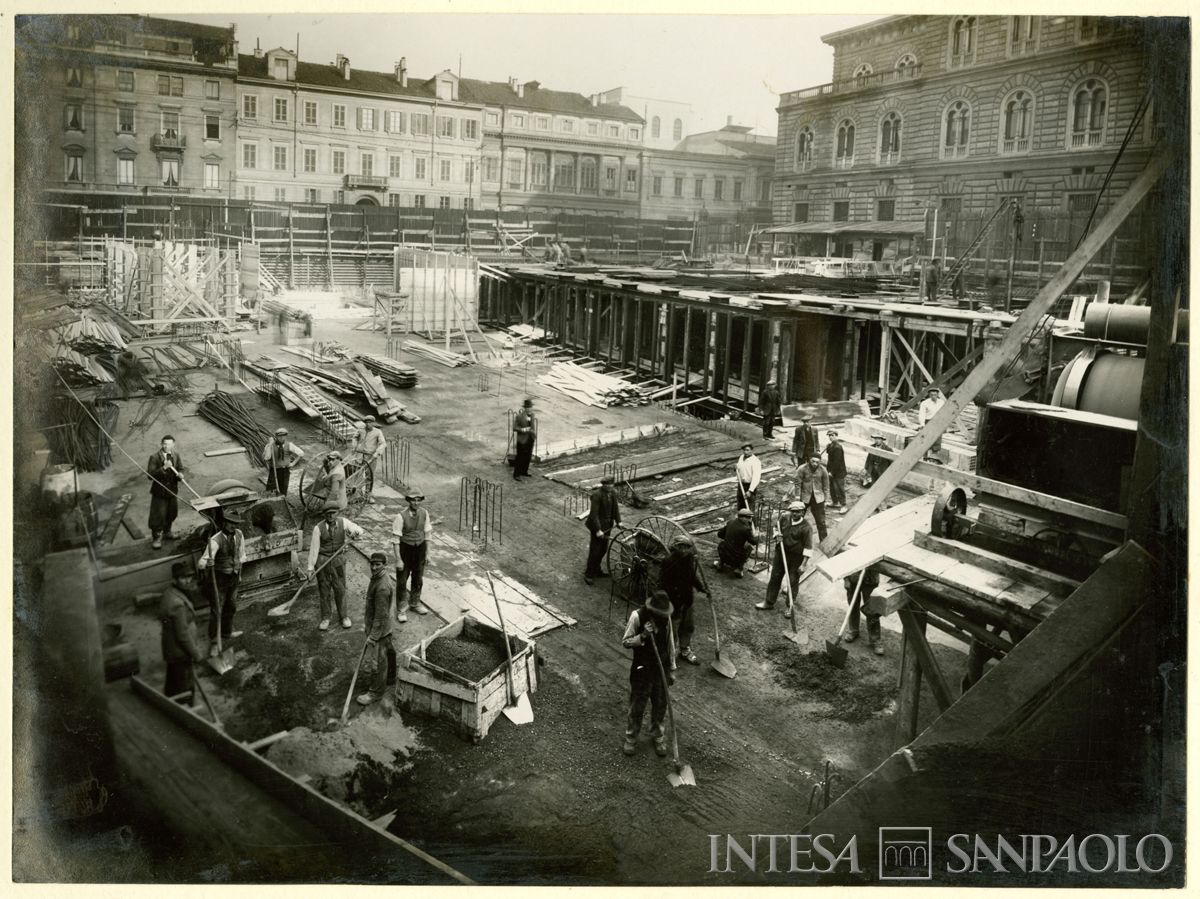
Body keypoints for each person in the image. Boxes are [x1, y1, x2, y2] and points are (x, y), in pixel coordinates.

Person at [621, 590, 676, 757]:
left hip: (661, 668)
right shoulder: (637, 616)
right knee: (638, 704)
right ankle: (631, 737)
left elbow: (670, 643)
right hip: (642, 669)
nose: (661, 617)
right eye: (659, 614)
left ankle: (658, 735)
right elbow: (626, 642)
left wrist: (672, 669)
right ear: (652, 610)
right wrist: (643, 635)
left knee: (660, 704)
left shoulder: (666, 619)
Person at [307, 504, 364, 631]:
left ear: (337, 513)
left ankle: (343, 617)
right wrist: (310, 568)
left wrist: (355, 533)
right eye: (328, 514)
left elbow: (359, 530)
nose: (331, 516)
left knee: (340, 589)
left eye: (333, 513)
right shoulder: (318, 528)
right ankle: (326, 618)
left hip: (338, 560)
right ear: (324, 515)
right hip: (322, 561)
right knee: (324, 589)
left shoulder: (343, 522)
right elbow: (314, 549)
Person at [197, 510, 245, 655]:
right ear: (224, 522)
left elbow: (242, 555)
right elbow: (202, 562)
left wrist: (238, 569)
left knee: (231, 606)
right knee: (217, 609)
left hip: (234, 577)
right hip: (220, 579)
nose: (233, 526)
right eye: (230, 523)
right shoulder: (215, 540)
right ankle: (214, 641)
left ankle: (226, 633)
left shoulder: (239, 534)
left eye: (235, 523)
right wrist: (206, 562)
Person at [659, 535, 709, 666]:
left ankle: (685, 649)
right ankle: (671, 653)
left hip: (687, 599)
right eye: (684, 548)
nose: (687, 550)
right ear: (677, 548)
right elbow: (664, 584)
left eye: (688, 548)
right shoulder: (668, 562)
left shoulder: (688, 561)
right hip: (674, 601)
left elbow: (692, 576)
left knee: (688, 626)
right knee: (673, 629)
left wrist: (702, 588)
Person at [159, 562, 204, 702]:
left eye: (189, 576)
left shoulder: (170, 592)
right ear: (175, 579)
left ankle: (170, 705)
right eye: (183, 578)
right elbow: (182, 634)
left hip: (171, 649)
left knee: (173, 682)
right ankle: (186, 712)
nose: (188, 580)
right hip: (180, 651)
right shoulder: (177, 603)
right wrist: (196, 654)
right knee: (185, 686)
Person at [756, 500, 813, 611]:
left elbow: (808, 548)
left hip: (796, 557)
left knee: (792, 581)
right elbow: (776, 527)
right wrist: (777, 535)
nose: (794, 514)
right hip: (781, 553)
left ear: (802, 512)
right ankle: (769, 602)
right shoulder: (785, 517)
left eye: (797, 512)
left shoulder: (806, 527)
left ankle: (789, 607)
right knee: (775, 577)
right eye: (793, 511)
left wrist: (803, 565)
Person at [357, 552, 397, 706]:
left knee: (378, 662)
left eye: (377, 564)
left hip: (380, 627)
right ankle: (391, 678)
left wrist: (373, 636)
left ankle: (375, 693)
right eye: (372, 564)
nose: (373, 567)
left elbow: (380, 616)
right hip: (385, 626)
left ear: (384, 565)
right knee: (389, 650)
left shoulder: (382, 587)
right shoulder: (379, 578)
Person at [391, 491, 432, 621]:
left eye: (418, 500)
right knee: (402, 581)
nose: (416, 503)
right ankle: (401, 609)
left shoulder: (424, 513)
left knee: (418, 579)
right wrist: (398, 560)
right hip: (405, 551)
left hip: (420, 550)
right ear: (409, 501)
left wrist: (428, 554)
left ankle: (415, 603)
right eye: (413, 500)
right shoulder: (400, 516)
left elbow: (427, 535)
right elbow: (396, 540)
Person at [147, 435, 185, 549]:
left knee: (171, 513)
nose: (166, 446)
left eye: (168, 444)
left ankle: (167, 532)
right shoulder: (154, 457)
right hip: (160, 492)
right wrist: (164, 468)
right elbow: (150, 475)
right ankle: (156, 537)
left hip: (172, 491)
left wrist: (181, 474)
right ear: (161, 444)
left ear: (173, 445)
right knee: (158, 516)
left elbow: (181, 468)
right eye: (164, 443)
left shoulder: (176, 455)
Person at [584, 475, 621, 585]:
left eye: (611, 484)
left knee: (603, 549)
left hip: (608, 525)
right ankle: (589, 574)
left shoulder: (613, 493)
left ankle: (597, 570)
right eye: (607, 485)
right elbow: (593, 515)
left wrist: (619, 521)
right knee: (595, 551)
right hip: (598, 526)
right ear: (603, 485)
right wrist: (598, 530)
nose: (610, 486)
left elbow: (615, 508)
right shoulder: (597, 495)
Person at [844, 563, 884, 656]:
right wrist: (845, 578)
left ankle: (875, 639)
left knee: (872, 609)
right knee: (853, 606)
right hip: (853, 577)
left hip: (870, 578)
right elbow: (843, 557)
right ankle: (853, 630)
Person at [714, 508, 759, 578]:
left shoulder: (730, 522)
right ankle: (739, 569)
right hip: (735, 557)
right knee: (749, 548)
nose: (750, 520)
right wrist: (756, 535)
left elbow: (719, 534)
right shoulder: (745, 529)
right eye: (749, 517)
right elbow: (754, 542)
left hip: (724, 553)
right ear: (743, 517)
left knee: (723, 544)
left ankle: (721, 563)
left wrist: (730, 538)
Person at [353, 416, 386, 504]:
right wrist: (355, 446)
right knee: (357, 476)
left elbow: (383, 444)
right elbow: (355, 437)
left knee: (369, 477)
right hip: (359, 456)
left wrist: (377, 453)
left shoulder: (377, 432)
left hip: (370, 457)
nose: (368, 424)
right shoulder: (361, 430)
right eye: (366, 422)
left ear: (373, 423)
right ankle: (358, 495)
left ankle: (368, 496)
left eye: (370, 422)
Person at [797, 455, 831, 541]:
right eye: (813, 461)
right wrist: (797, 498)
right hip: (805, 497)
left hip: (818, 499)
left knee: (821, 522)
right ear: (809, 460)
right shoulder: (802, 468)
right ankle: (795, 540)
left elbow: (826, 487)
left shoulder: (823, 470)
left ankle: (824, 542)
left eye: (817, 462)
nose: (815, 464)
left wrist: (826, 500)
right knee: (798, 518)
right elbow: (797, 484)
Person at [262, 428, 304, 497]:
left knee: (283, 489)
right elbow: (266, 458)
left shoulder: (289, 445)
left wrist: (293, 463)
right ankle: (269, 502)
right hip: (274, 470)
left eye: (283, 436)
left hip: (285, 471)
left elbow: (301, 453)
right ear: (276, 436)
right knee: (270, 489)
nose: (281, 438)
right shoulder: (270, 446)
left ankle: (281, 502)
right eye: (279, 436)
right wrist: (269, 444)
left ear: (286, 436)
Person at [918, 387, 946, 461]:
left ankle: (934, 456)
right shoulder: (925, 403)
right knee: (926, 439)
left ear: (937, 395)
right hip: (928, 421)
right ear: (929, 395)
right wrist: (922, 424)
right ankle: (925, 456)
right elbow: (922, 414)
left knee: (937, 439)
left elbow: (944, 413)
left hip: (938, 422)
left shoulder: (941, 402)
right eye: (932, 395)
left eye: (935, 394)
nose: (934, 396)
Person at [512, 399, 536, 481]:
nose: (529, 409)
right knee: (520, 457)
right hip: (522, 440)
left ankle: (524, 471)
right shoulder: (519, 416)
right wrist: (523, 429)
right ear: (525, 408)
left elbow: (533, 426)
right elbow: (514, 428)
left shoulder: (533, 415)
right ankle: (516, 474)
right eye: (528, 407)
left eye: (530, 407)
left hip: (530, 438)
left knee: (528, 456)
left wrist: (533, 435)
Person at [734, 443, 761, 512]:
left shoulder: (755, 461)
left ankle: (750, 522)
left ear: (752, 450)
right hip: (741, 484)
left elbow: (756, 477)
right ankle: (741, 521)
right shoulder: (741, 457)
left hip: (749, 486)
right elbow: (740, 467)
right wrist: (736, 467)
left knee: (749, 507)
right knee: (740, 505)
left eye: (747, 450)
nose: (745, 452)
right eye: (744, 450)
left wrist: (750, 490)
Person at [825, 430, 847, 512]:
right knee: (832, 488)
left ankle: (843, 505)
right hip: (831, 471)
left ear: (836, 436)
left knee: (839, 488)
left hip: (839, 472)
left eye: (832, 435)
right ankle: (835, 502)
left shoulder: (837, 447)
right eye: (829, 435)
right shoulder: (832, 445)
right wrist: (828, 447)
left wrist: (831, 472)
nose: (830, 437)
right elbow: (830, 456)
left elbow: (837, 462)